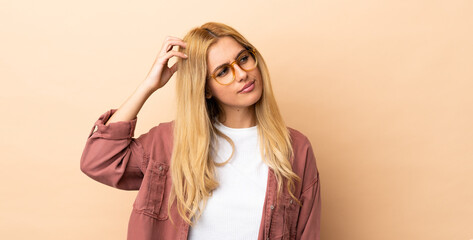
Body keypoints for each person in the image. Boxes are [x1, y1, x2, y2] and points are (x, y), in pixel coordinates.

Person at [80, 22, 321, 240]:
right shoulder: (169, 142)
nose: (242, 74)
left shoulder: (295, 150)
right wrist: (149, 85)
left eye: (244, 59)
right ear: (205, 89)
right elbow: (99, 160)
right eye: (223, 71)